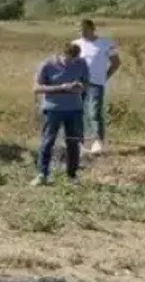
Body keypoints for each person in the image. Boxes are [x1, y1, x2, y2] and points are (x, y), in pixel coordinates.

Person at [32, 42, 90, 185]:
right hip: (53, 110)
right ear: (62, 54)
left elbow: (87, 83)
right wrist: (61, 87)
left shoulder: (81, 63)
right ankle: (42, 174)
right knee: (48, 141)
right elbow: (37, 88)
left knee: (73, 143)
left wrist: (81, 87)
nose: (72, 63)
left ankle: (72, 175)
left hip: (74, 110)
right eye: (69, 60)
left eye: (75, 60)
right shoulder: (47, 65)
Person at [71, 19, 121, 155]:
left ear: (92, 28)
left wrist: (105, 76)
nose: (82, 32)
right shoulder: (75, 44)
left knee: (94, 112)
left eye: (84, 29)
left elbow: (116, 63)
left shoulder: (106, 43)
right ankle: (79, 142)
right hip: (77, 84)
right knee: (77, 113)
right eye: (79, 30)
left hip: (96, 83)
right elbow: (70, 63)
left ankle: (98, 142)